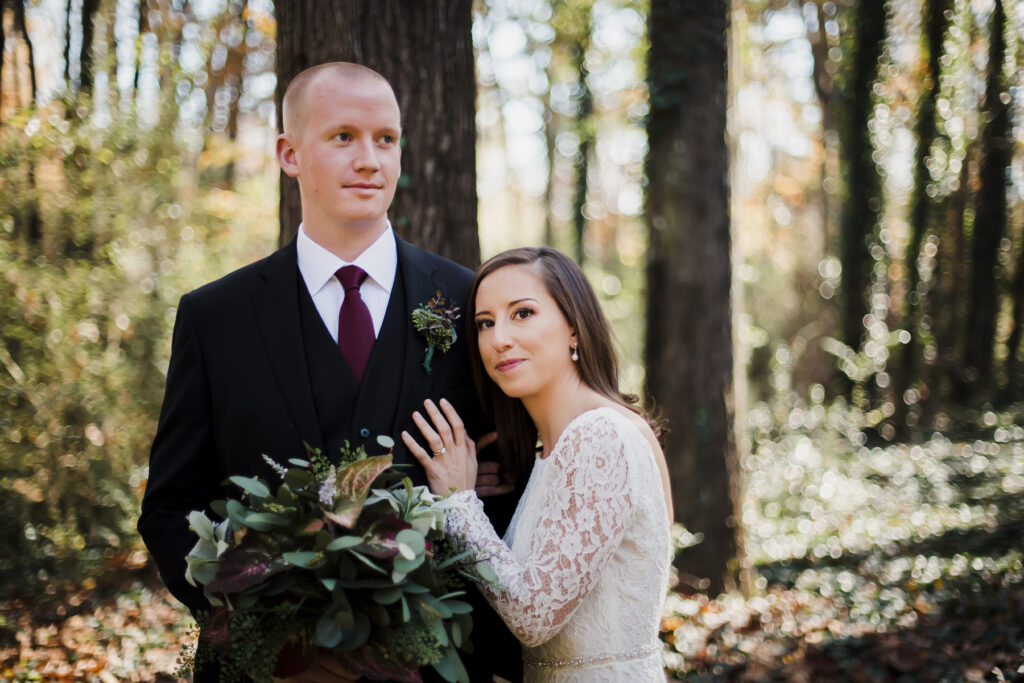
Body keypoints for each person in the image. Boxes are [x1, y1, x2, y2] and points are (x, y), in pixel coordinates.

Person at [137, 62, 522, 682]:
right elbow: (170, 507)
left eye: (386, 139)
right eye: (343, 136)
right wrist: (264, 620)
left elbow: (515, 488)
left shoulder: (468, 298)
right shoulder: (215, 317)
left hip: (436, 664)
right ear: (290, 154)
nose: (369, 160)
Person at [403, 247, 674, 682]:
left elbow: (533, 616)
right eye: (485, 323)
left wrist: (458, 504)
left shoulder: (600, 436)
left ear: (574, 327)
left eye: (522, 313)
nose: (499, 338)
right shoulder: (557, 450)